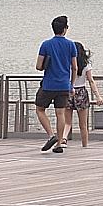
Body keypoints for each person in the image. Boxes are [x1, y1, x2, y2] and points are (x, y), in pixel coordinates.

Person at [35, 15, 77, 152]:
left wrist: (46, 65)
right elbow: (74, 67)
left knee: (40, 109)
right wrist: (71, 85)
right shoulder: (71, 45)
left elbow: (38, 66)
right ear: (65, 29)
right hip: (64, 85)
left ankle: (50, 135)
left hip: (48, 84)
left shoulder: (46, 44)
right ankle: (59, 143)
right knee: (60, 113)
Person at [66, 42, 103, 148]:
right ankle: (85, 145)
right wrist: (98, 96)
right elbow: (91, 81)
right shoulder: (86, 64)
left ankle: (63, 140)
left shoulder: (67, 63)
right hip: (81, 92)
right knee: (83, 125)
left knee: (66, 122)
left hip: (68, 91)